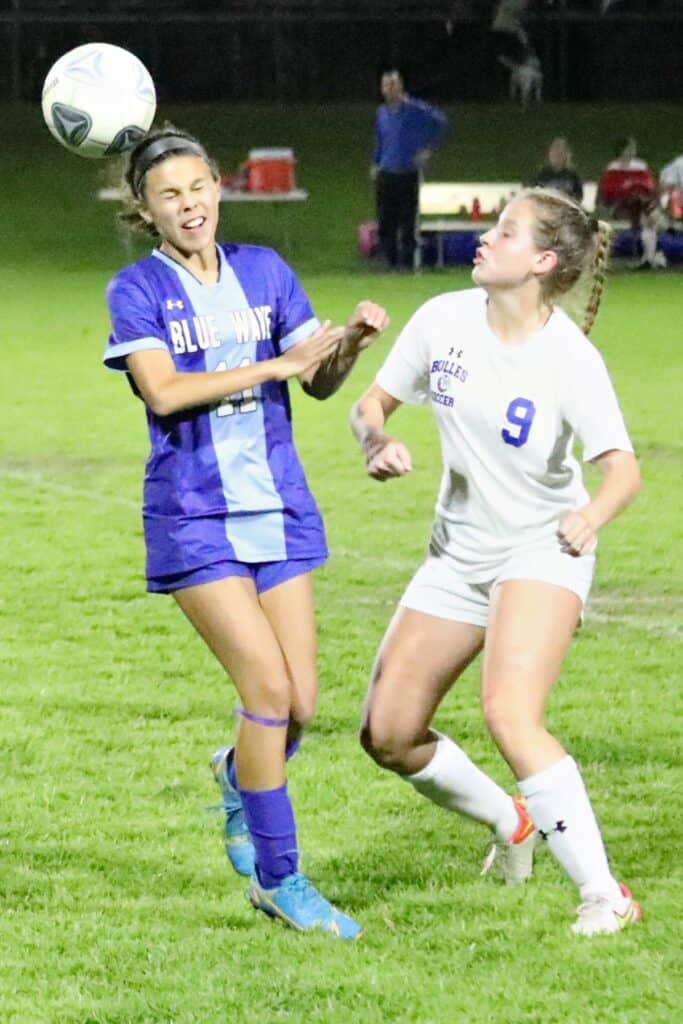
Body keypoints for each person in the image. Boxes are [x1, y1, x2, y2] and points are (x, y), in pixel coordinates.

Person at [103, 127, 389, 939]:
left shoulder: (264, 271)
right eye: (169, 195)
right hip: (194, 517)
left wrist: (348, 346)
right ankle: (280, 878)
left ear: (218, 189)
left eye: (197, 188)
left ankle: (238, 776)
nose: (188, 204)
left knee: (298, 704)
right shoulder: (136, 289)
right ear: (146, 208)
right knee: (264, 694)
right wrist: (271, 367)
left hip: (279, 505)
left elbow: (320, 378)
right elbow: (162, 392)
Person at [350, 187, 643, 936]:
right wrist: (375, 441)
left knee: (509, 712)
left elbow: (623, 472)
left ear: (541, 261)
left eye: (504, 232)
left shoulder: (568, 359)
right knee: (386, 732)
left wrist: (588, 515)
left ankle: (603, 894)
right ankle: (512, 824)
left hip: (541, 549)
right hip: (457, 553)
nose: (484, 238)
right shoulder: (441, 318)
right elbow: (371, 404)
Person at [371, 69, 448, 271]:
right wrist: (376, 162)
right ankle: (389, 261)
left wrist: (428, 149)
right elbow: (380, 139)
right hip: (386, 172)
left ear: (401, 87)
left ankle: (406, 263)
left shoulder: (415, 110)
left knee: (407, 219)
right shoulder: (382, 113)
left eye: (393, 85)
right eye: (386, 85)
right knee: (386, 220)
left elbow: (440, 122)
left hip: (407, 171)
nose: (389, 89)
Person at [597, 136, 664, 269]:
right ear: (622, 150)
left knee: (645, 211)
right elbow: (608, 192)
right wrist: (629, 189)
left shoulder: (640, 166)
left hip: (640, 206)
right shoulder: (612, 169)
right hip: (620, 206)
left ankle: (648, 258)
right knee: (644, 211)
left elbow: (649, 188)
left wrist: (634, 188)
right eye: (630, 148)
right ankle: (650, 255)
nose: (632, 151)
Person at [528, 137, 583, 203]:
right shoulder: (542, 175)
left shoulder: (572, 176)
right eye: (555, 154)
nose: (557, 157)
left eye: (560, 154)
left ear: (566, 156)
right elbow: (534, 195)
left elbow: (578, 197)